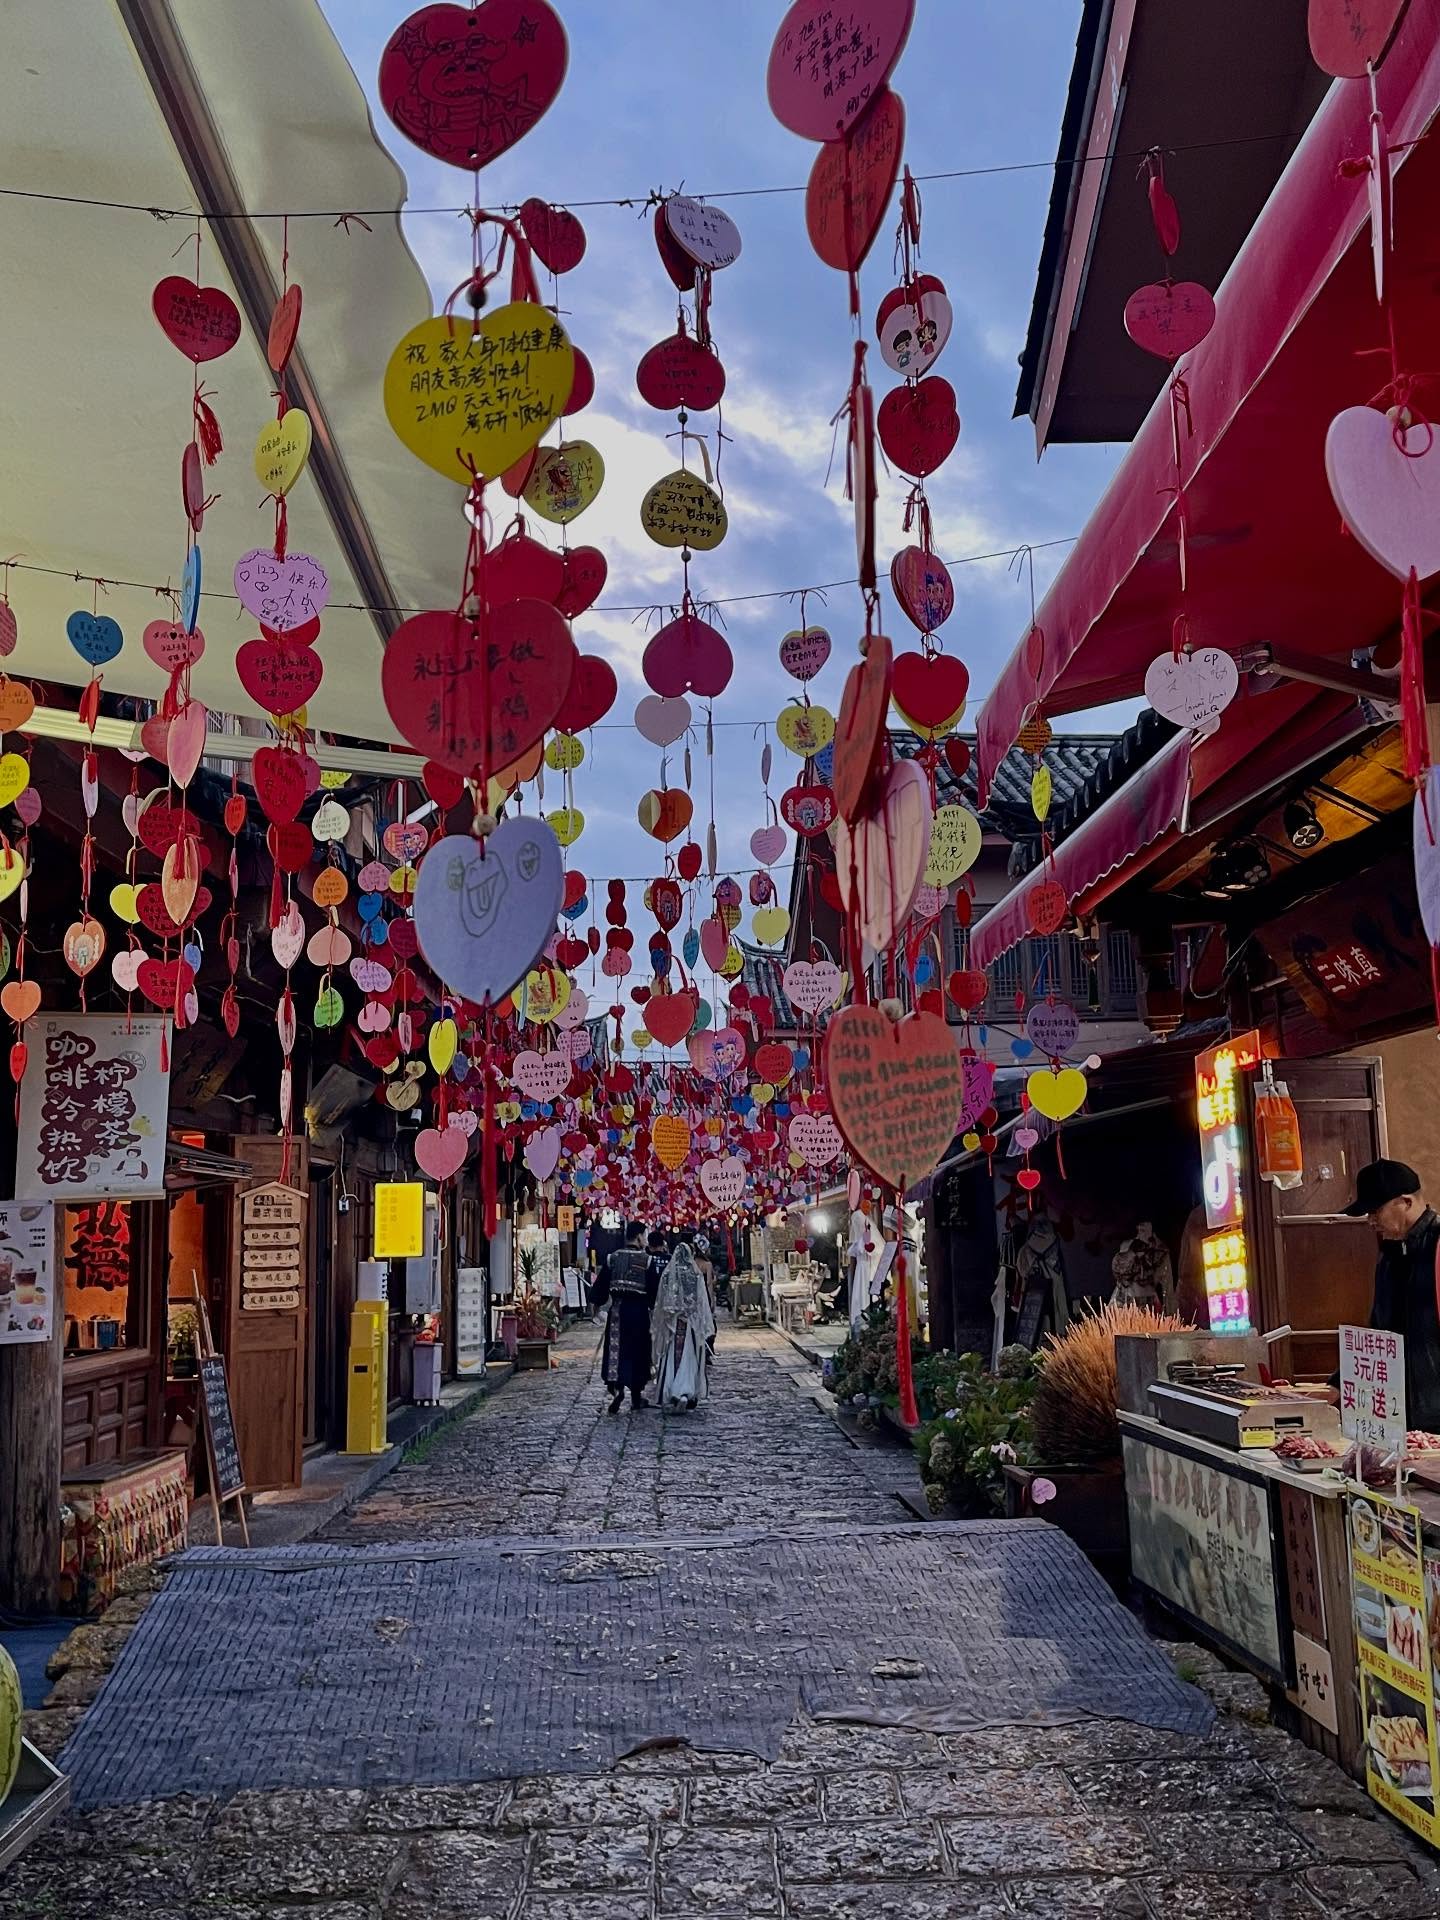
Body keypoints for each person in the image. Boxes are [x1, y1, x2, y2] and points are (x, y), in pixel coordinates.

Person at [1322, 1160, 1440, 1429]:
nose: (1371, 1221)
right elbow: (1380, 1334)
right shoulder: (1389, 1256)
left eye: (1376, 1211)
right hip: (1399, 1420)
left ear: (1405, 1202)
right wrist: (1339, 1383)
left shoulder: (1437, 1246)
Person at [592, 1221, 659, 1414]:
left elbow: (601, 1287)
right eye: (644, 1236)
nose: (645, 1240)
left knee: (617, 1353)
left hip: (617, 1312)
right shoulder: (647, 1261)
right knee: (638, 1353)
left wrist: (596, 1308)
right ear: (638, 1236)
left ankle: (618, 1390)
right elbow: (654, 1292)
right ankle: (636, 1397)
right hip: (638, 1314)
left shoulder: (612, 1258)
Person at [652, 1240, 716, 1411]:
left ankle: (673, 1390)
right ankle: (685, 1391)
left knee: (672, 1356)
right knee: (689, 1357)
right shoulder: (694, 1276)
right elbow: (701, 1302)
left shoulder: (668, 1275)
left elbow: (662, 1302)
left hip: (673, 1324)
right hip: (690, 1325)